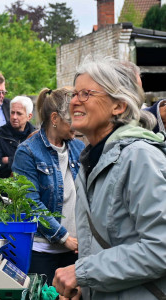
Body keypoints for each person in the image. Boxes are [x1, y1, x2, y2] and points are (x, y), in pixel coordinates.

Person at [53, 57, 166, 300]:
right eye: (74, 94)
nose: (74, 102)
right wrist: (88, 287)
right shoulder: (91, 159)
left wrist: (82, 272)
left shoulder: (140, 158)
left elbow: (161, 249)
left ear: (119, 107)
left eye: (86, 94)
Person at [11, 88, 84, 286]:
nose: (76, 126)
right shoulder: (28, 152)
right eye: (72, 120)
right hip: (43, 251)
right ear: (54, 118)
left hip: (77, 250)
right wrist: (63, 237)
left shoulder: (79, 148)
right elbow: (29, 202)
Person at [0, 96, 36, 178]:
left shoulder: (36, 137)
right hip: (5, 187)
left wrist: (8, 160)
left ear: (29, 116)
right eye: (12, 112)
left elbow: (38, 165)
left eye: (19, 113)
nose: (14, 117)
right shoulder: (0, 135)